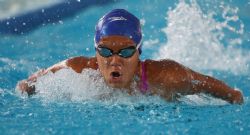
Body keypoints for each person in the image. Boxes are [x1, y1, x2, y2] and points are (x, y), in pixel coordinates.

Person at [17, 9, 243, 104]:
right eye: (105, 51)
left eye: (125, 51)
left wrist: (234, 96)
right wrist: (27, 86)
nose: (114, 60)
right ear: (96, 52)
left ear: (139, 52)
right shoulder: (80, 71)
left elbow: (208, 85)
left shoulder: (166, 76)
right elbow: (35, 80)